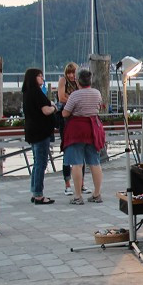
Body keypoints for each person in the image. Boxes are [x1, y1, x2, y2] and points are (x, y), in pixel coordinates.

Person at [62, 67, 104, 204]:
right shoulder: (97, 93)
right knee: (95, 162)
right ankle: (97, 193)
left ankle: (78, 196)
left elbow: (65, 113)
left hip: (77, 129)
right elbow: (99, 107)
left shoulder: (75, 95)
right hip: (93, 128)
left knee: (77, 164)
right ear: (90, 80)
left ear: (78, 81)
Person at [22, 68, 56, 204]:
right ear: (33, 78)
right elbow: (46, 110)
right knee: (41, 162)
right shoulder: (36, 92)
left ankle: (34, 190)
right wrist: (54, 107)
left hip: (32, 131)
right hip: (40, 132)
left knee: (37, 162)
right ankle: (38, 194)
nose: (42, 79)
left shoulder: (26, 92)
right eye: (39, 76)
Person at [56, 62, 83, 196]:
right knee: (67, 150)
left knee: (80, 151)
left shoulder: (79, 83)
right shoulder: (63, 81)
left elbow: (83, 96)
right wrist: (75, 100)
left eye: (73, 73)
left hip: (77, 118)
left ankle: (81, 183)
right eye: (69, 73)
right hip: (65, 119)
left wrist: (73, 99)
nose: (71, 75)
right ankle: (67, 184)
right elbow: (61, 97)